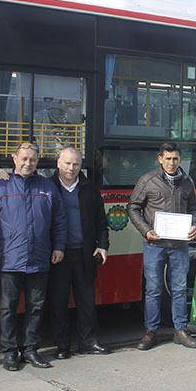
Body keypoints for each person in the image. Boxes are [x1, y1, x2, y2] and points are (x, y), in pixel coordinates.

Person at [0, 142, 67, 371]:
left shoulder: (47, 187)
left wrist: (58, 247)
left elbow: (59, 221)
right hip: (9, 259)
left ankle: (30, 350)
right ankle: (9, 352)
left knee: (35, 307)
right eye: (24, 159)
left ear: (38, 162)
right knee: (8, 308)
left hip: (40, 259)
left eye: (33, 160)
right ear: (14, 158)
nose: (28, 163)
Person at [127, 142, 196, 351]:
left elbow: (194, 207)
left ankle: (180, 330)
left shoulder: (187, 181)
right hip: (154, 245)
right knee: (153, 290)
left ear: (180, 160)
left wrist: (194, 224)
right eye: (168, 159)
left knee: (178, 289)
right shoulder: (148, 180)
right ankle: (151, 332)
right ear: (160, 159)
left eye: (175, 159)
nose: (172, 163)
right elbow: (133, 208)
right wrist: (145, 230)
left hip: (179, 246)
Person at [48, 147, 111, 359]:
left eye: (75, 164)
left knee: (86, 302)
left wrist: (103, 245)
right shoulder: (48, 187)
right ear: (58, 163)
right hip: (58, 256)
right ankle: (62, 345)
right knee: (58, 303)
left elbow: (101, 222)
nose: (71, 168)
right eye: (67, 163)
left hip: (84, 254)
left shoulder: (89, 189)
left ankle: (89, 341)